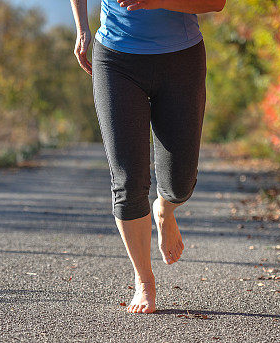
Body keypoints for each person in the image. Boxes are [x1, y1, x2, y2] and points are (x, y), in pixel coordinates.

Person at [69, 0, 226, 314]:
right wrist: (82, 27)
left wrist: (158, 1)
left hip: (182, 59)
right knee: (128, 181)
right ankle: (144, 281)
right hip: (115, 59)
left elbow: (216, 3)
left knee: (181, 183)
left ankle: (166, 209)